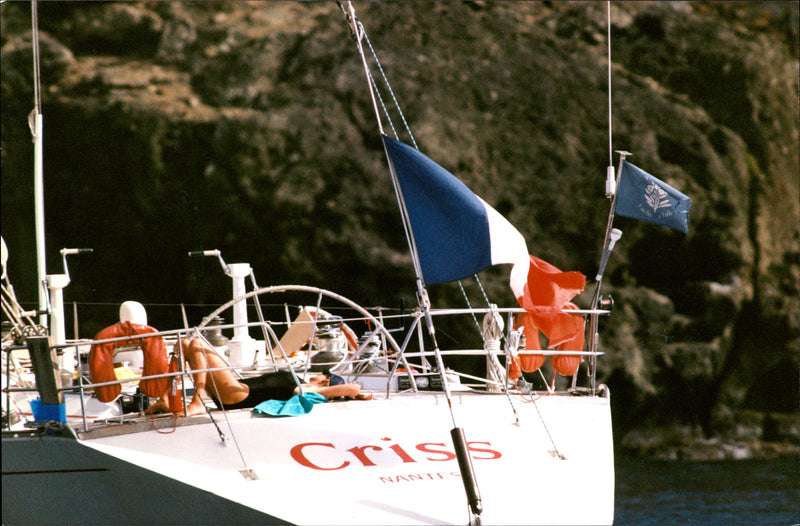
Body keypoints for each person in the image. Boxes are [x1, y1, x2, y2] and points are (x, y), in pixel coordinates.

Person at [146, 336, 371, 416]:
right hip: (234, 388)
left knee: (195, 343)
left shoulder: (312, 390)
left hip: (238, 395)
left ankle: (197, 402)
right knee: (185, 342)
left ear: (326, 381)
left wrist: (358, 395)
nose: (321, 374)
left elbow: (352, 388)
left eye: (325, 375)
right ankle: (167, 397)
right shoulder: (302, 383)